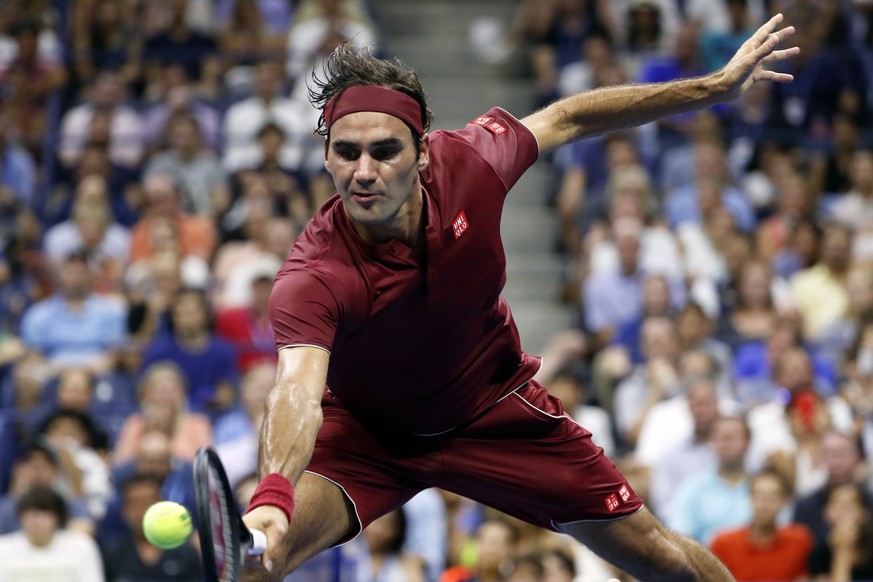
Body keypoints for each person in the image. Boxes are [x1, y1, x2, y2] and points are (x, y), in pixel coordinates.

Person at [242, 15, 799, 581]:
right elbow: (296, 391)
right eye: (347, 152)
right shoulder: (313, 274)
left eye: (384, 151)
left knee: (668, 562)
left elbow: (570, 115)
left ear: (424, 152)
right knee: (260, 559)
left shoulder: (472, 163)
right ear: (327, 155)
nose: (363, 172)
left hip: (493, 410)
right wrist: (271, 495)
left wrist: (710, 87)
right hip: (368, 438)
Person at [709, 469, 814, 581]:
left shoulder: (800, 541)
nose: (764, 505)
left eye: (772, 497)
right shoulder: (723, 544)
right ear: (750, 498)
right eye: (759, 496)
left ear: (783, 502)